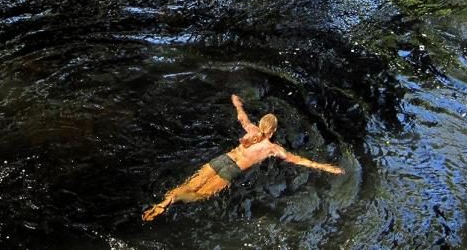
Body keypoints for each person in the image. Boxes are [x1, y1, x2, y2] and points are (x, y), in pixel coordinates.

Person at [142, 94, 345, 221]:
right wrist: (328, 167)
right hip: (232, 170)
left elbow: (242, 117)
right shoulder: (273, 149)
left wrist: (236, 103)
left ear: (261, 124)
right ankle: (176, 199)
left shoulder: (251, 130)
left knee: (192, 183)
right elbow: (300, 160)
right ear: (273, 131)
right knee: (201, 195)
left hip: (221, 159)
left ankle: (167, 198)